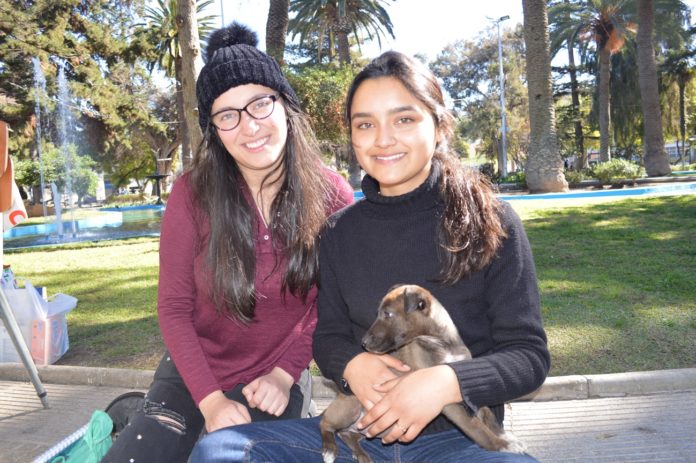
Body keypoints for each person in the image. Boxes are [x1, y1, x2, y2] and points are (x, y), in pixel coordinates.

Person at [190, 51, 549, 463]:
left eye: (404, 119)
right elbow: (328, 337)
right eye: (365, 124)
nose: (383, 139)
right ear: (353, 137)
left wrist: (444, 383)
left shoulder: (490, 221)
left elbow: (528, 356)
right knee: (223, 450)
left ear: (439, 126)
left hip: (461, 444)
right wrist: (352, 366)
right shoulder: (339, 232)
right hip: (357, 438)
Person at [101, 23, 354, 463]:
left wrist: (284, 374)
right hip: (194, 370)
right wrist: (212, 402)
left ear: (284, 104)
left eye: (260, 103)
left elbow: (331, 304)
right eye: (227, 115)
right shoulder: (191, 194)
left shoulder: (333, 195)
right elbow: (174, 307)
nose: (249, 126)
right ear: (214, 130)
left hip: (273, 376)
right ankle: (133, 417)